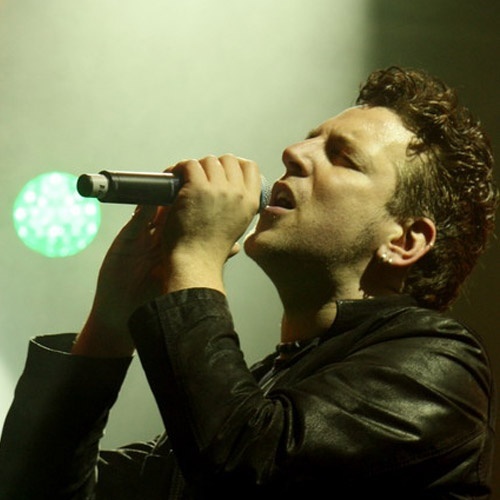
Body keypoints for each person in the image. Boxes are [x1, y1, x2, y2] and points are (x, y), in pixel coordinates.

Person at [0, 66, 497, 499]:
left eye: (342, 156)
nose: (293, 152)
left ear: (405, 240)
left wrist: (194, 257)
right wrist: (108, 328)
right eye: (310, 139)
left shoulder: (440, 368)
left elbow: (241, 469)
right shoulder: (258, 391)